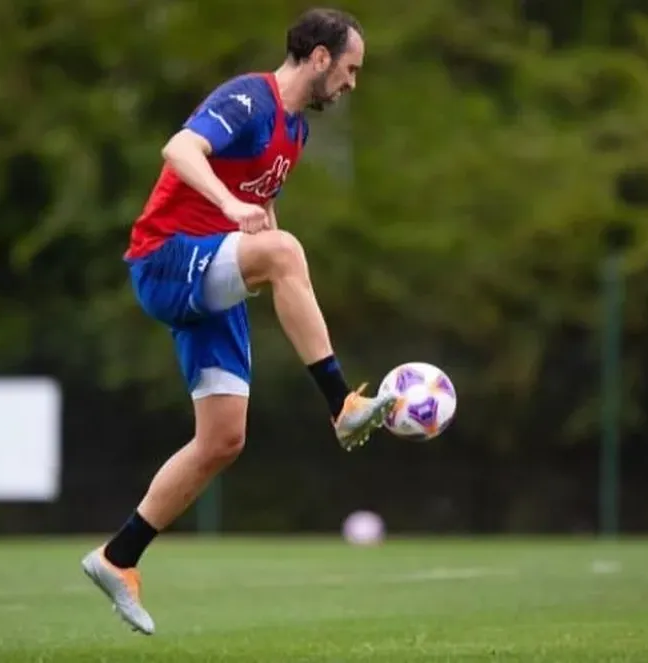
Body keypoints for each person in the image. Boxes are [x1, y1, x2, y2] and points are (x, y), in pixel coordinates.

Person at [81, 7, 396, 635]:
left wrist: (260, 250)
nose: (353, 84)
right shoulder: (250, 98)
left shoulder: (296, 132)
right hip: (166, 258)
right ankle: (341, 405)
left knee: (224, 438)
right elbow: (179, 148)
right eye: (351, 69)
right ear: (319, 57)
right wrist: (233, 212)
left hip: (210, 271)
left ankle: (118, 557)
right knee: (286, 253)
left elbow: (262, 211)